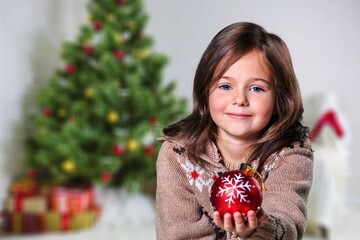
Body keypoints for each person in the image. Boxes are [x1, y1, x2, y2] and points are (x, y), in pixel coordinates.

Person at [155, 22, 313, 240]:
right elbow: (179, 234)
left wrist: (258, 229)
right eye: (225, 86)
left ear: (279, 98)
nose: (240, 100)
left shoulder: (290, 153)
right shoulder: (177, 155)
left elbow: (288, 219)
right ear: (205, 91)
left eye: (256, 88)